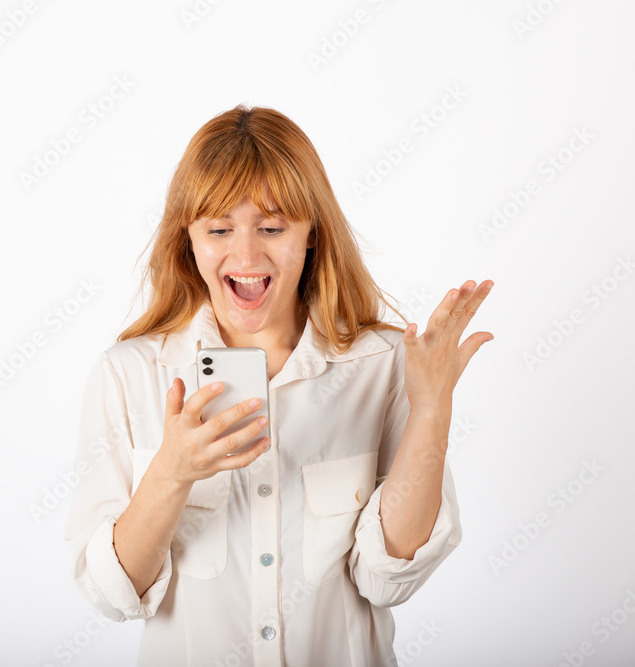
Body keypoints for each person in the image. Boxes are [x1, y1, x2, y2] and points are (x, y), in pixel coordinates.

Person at [62, 104, 494, 666]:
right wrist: (171, 473)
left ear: (312, 233)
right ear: (187, 241)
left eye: (272, 227)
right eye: (219, 229)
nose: (246, 256)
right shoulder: (128, 374)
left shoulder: (383, 364)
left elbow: (390, 577)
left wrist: (432, 411)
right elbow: (111, 593)